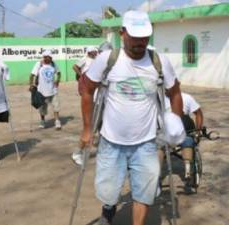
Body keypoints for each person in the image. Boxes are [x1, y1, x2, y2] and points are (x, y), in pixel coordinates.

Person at [79, 10, 183, 225]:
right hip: (111, 141)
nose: (140, 42)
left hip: (146, 143)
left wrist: (175, 123)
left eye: (144, 37)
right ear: (122, 33)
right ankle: (108, 210)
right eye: (135, 37)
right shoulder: (108, 59)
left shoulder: (158, 62)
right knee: (108, 192)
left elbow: (175, 93)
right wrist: (87, 128)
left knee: (144, 193)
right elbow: (87, 90)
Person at [162, 92, 203, 180]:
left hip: (183, 128)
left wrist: (198, 131)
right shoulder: (159, 98)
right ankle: (156, 174)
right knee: (158, 145)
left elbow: (198, 113)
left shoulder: (187, 97)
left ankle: (188, 170)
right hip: (167, 130)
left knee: (187, 139)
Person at [29, 50, 62, 130]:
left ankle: (57, 121)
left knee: (56, 106)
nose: (50, 59)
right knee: (42, 108)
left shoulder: (53, 64)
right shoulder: (39, 64)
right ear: (44, 57)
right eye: (48, 57)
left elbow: (59, 73)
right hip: (41, 91)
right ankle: (43, 121)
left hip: (53, 90)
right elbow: (32, 75)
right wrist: (31, 85)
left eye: (50, 57)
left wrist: (57, 81)